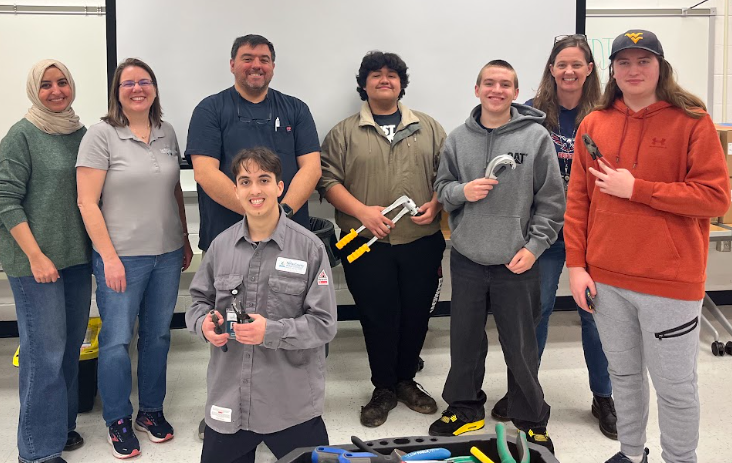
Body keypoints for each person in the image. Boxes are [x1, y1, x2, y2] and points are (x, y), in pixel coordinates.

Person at [565, 30, 731, 463]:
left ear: (661, 66)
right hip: (606, 281)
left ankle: (680, 458)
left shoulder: (692, 120)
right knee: (623, 377)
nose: (633, 70)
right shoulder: (594, 124)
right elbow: (578, 200)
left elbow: (715, 198)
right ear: (612, 70)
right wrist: (577, 266)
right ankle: (631, 453)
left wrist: (637, 189)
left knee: (675, 387)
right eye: (624, 62)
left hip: (669, 283)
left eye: (644, 61)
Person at [431, 60, 564, 454]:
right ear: (477, 90)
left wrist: (533, 248)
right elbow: (442, 189)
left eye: (505, 84)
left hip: (516, 261)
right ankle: (465, 408)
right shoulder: (458, 139)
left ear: (515, 92)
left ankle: (531, 418)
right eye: (489, 83)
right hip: (468, 258)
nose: (496, 90)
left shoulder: (535, 138)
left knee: (521, 346)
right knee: (465, 341)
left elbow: (551, 202)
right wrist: (463, 192)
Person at [490, 35, 617, 439]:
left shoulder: (606, 114)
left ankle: (604, 395)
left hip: (593, 232)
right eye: (562, 64)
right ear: (551, 69)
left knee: (594, 315)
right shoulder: (530, 114)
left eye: (577, 64)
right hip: (541, 232)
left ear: (590, 70)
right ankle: (524, 392)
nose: (569, 71)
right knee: (536, 313)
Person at [318, 51, 446, 427]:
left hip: (420, 239)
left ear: (401, 84)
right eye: (376, 74)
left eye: (392, 74)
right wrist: (363, 212)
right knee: (377, 317)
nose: (384, 79)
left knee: (416, 314)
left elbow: (447, 176)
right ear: (364, 84)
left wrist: (437, 204)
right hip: (364, 242)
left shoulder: (429, 127)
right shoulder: (343, 132)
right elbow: (326, 180)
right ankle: (383, 388)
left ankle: (406, 381)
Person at [186, 147, 337, 463]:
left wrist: (271, 331)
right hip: (231, 400)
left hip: (291, 404)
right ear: (236, 190)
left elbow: (324, 324)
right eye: (245, 181)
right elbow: (198, 302)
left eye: (264, 180)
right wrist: (203, 324)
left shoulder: (309, 248)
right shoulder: (220, 247)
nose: (255, 190)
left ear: (279, 187)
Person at [76, 58, 193, 459]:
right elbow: (86, 202)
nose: (137, 88)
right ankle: (118, 419)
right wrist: (108, 257)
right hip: (122, 257)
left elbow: (174, 190)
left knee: (158, 336)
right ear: (117, 91)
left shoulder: (167, 131)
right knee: (116, 340)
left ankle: (151, 411)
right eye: (128, 83)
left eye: (145, 82)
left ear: (155, 89)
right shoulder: (101, 135)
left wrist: (185, 237)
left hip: (167, 253)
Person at [0, 59, 92, 463]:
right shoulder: (21, 135)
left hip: (75, 260)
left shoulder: (82, 134)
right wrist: (35, 256)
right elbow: (6, 200)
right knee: (44, 355)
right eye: (46, 84)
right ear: (35, 90)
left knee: (68, 351)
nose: (56, 91)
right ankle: (36, 451)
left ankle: (61, 427)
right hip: (35, 264)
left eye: (62, 82)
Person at [186, 33, 321, 250]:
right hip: (226, 240)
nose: (256, 65)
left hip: (288, 237)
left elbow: (312, 169)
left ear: (272, 67)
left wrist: (282, 213)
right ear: (232, 65)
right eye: (247, 59)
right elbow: (205, 173)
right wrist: (259, 215)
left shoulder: (297, 109)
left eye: (264, 60)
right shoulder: (209, 110)